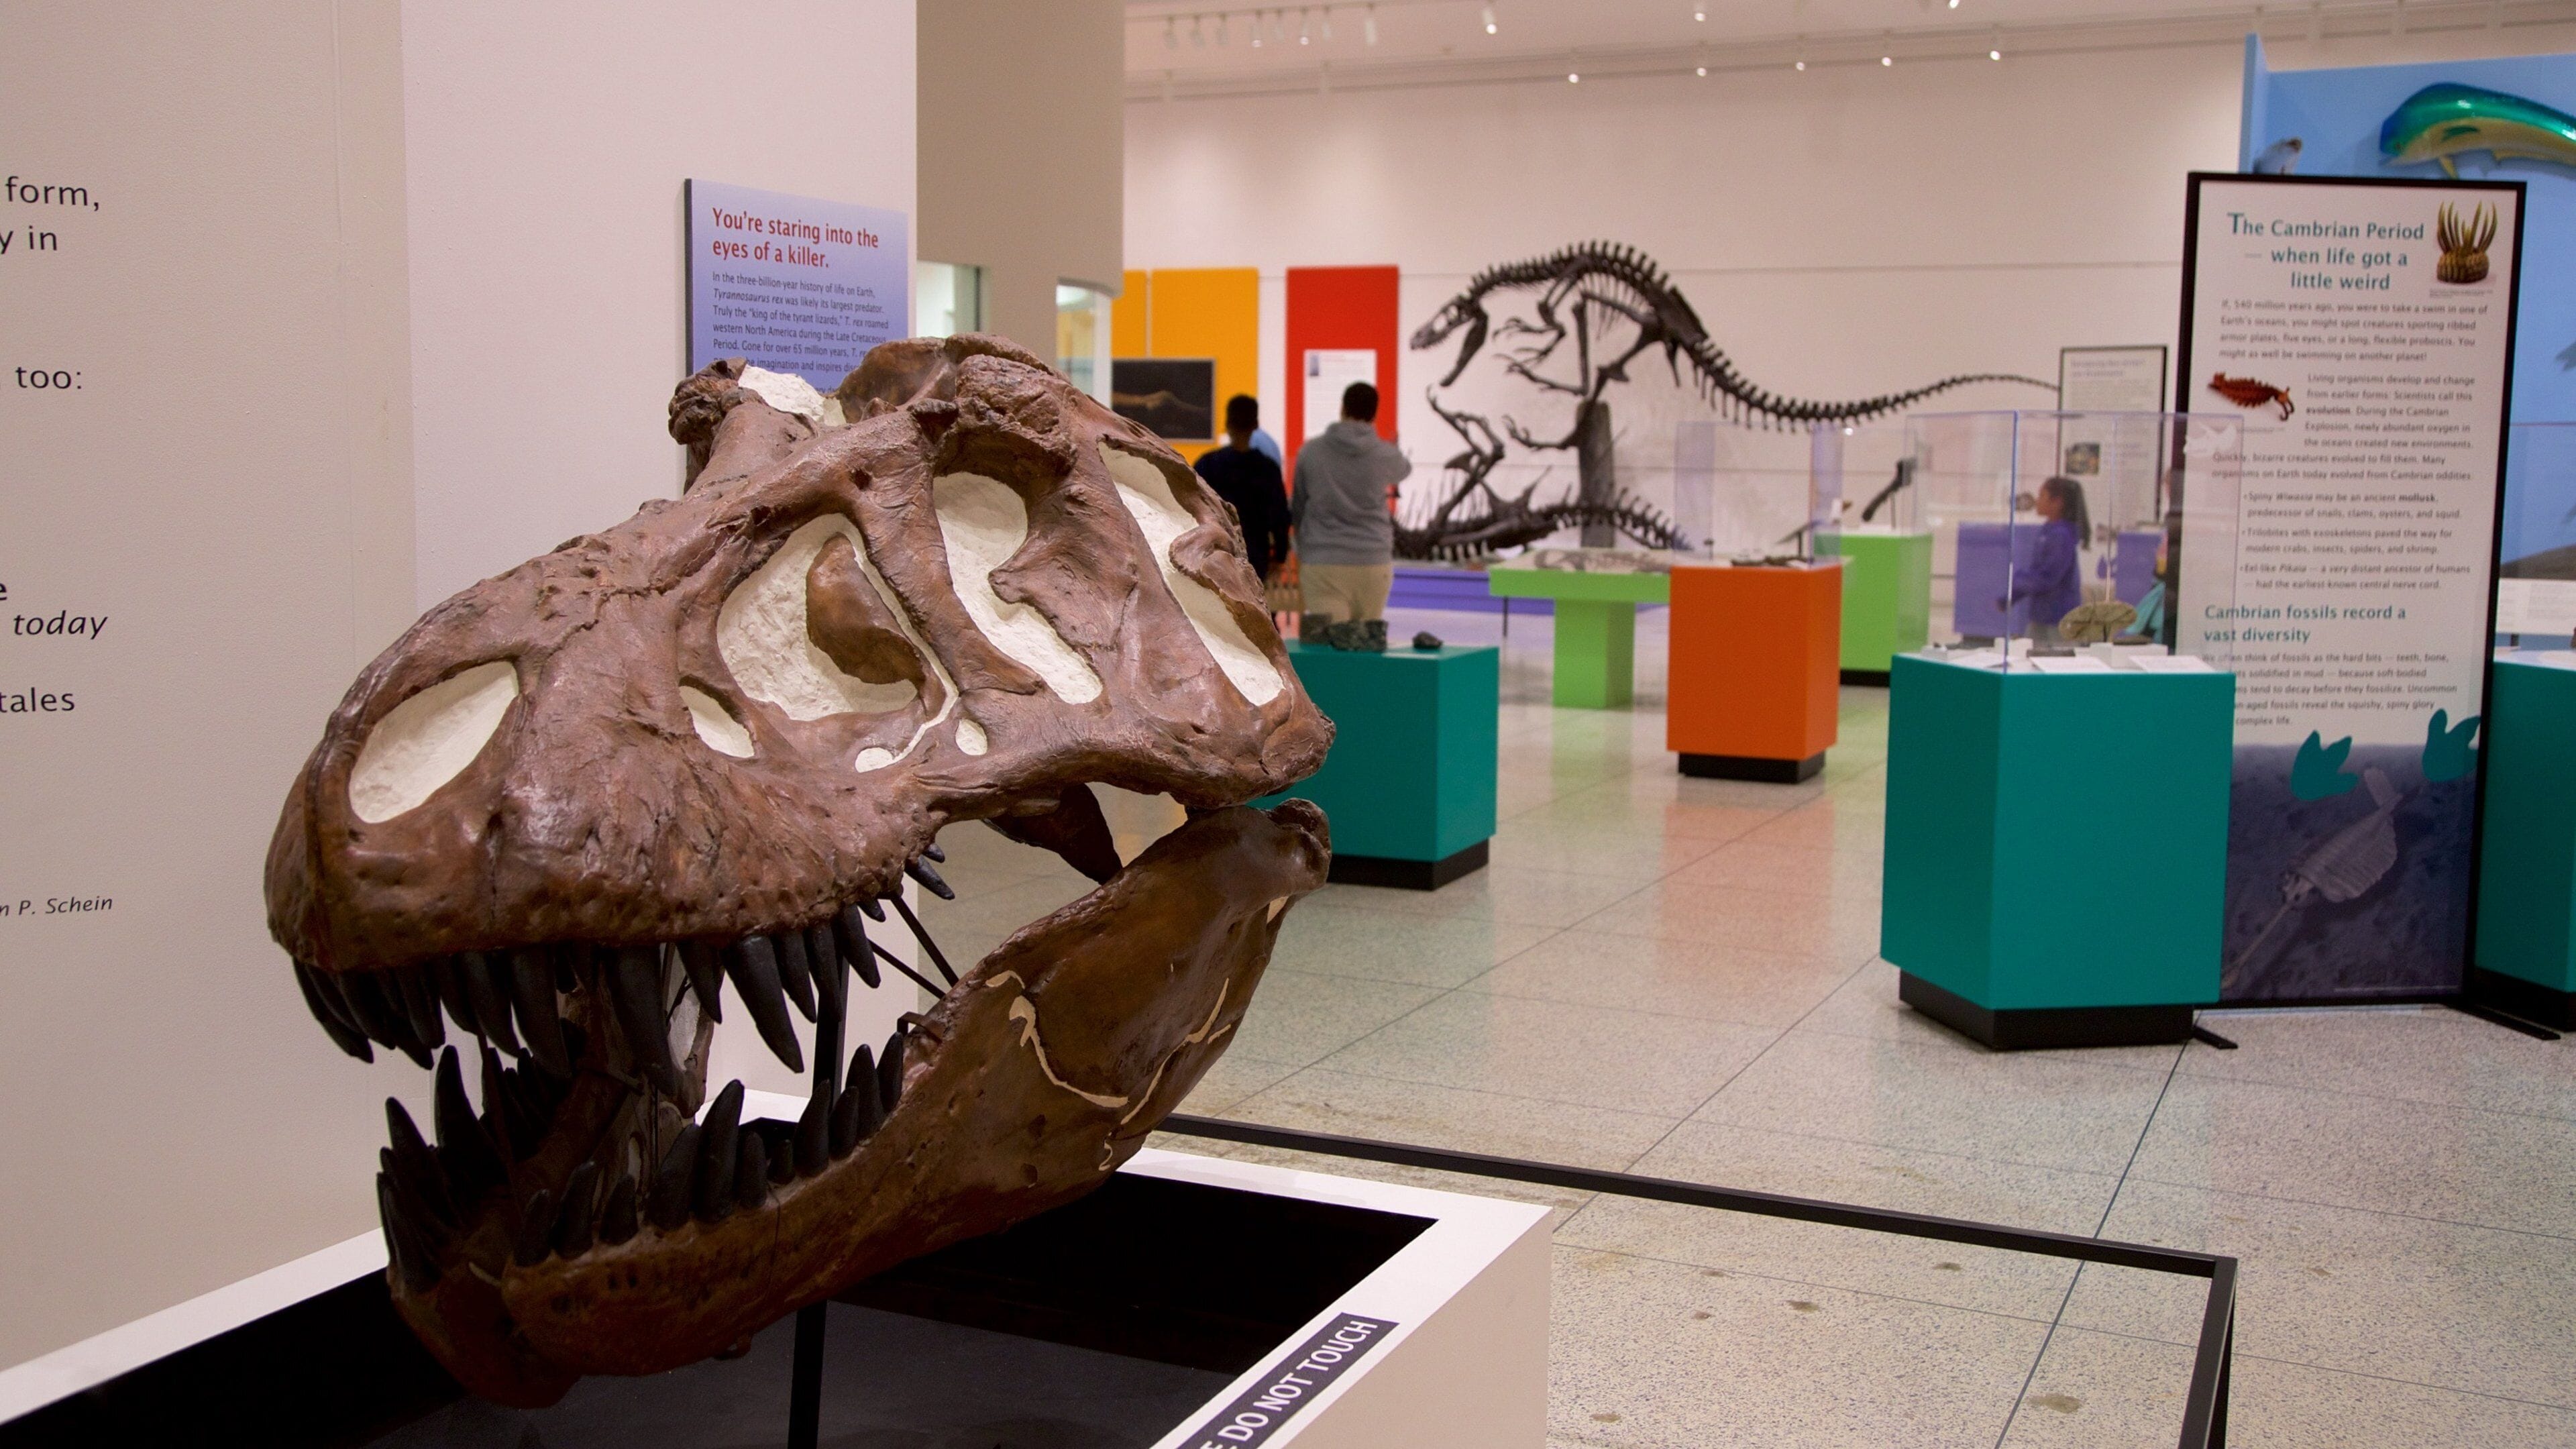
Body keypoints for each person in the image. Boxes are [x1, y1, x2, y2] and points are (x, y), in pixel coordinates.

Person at [1291, 381, 1411, 625]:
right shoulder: (1384, 454)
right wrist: (1391, 446)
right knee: (1364, 649)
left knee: (1330, 655)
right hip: (1373, 561)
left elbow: (1298, 507)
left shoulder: (1310, 452)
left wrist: (1302, 549)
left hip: (1323, 562)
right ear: (1374, 413)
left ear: (1342, 409)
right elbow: (1404, 469)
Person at [1194, 395, 1291, 581]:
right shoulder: (1267, 469)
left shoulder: (1207, 465)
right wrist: (1279, 554)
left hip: (1215, 551)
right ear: (1255, 424)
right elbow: (1279, 516)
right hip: (1255, 554)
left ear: (1227, 423)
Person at [2004, 476, 2088, 639]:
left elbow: (2048, 577)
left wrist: (2018, 586)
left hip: (2060, 618)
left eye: (2042, 495)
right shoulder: (2048, 530)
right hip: (2042, 614)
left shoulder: (2062, 535)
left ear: (2057, 502)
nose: (2037, 500)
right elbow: (2038, 571)